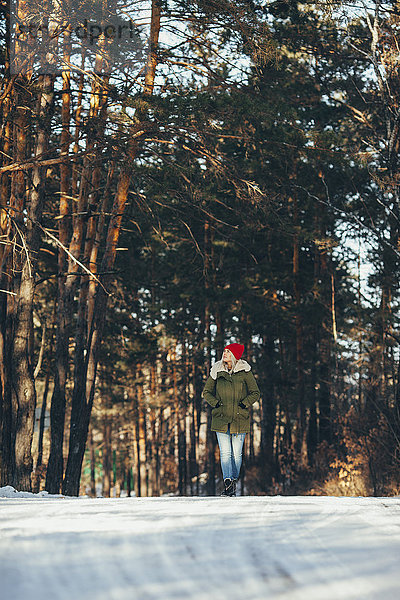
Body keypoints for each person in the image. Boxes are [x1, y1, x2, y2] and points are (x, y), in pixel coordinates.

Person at [202, 343, 260, 496]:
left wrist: (244, 403)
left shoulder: (244, 372)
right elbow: (206, 392)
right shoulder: (217, 370)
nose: (225, 353)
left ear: (235, 355)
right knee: (225, 453)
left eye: (228, 351)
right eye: (224, 350)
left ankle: (233, 482)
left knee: (237, 454)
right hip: (221, 418)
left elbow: (255, 392)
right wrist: (216, 403)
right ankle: (228, 482)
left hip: (239, 418)